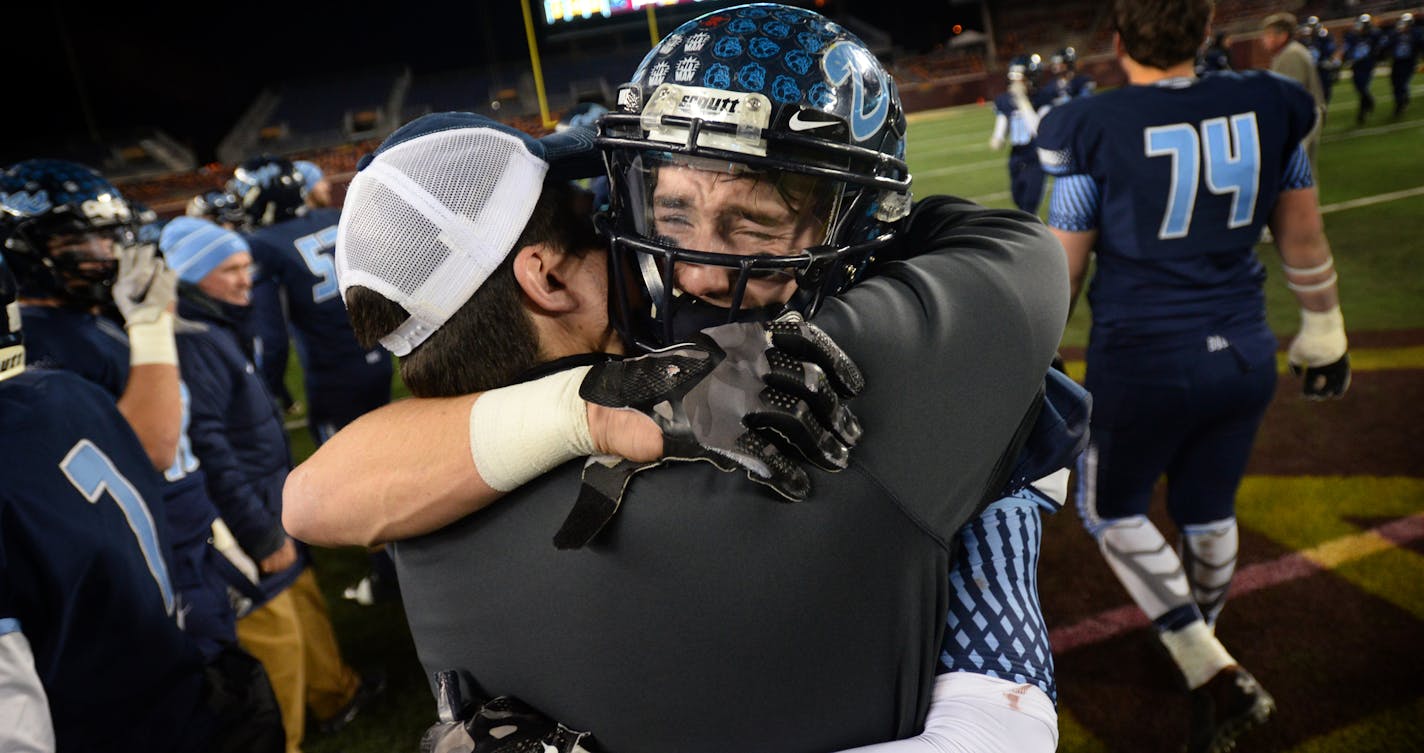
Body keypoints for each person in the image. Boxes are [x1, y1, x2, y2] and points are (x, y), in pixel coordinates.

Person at [287, 5, 1072, 750]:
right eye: (667, 214)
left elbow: (307, 498)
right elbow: (1015, 253)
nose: (692, 270)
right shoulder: (838, 402)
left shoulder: (411, 513)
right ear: (544, 278)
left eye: (753, 221)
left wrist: (589, 404)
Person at [1036, 0, 1352, 751]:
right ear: (1208, 32)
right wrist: (1326, 329)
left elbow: (1065, 261)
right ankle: (1205, 628)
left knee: (1113, 510)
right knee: (1208, 509)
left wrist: (1039, 348)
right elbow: (1302, 235)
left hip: (1143, 356)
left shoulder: (1091, 124)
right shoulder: (1271, 102)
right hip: (1243, 346)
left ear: (1117, 41)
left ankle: (1202, 656)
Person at [0, 199, 282, 753]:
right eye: (85, 241)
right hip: (150, 577)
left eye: (111, 238)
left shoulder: (76, 333)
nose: (109, 254)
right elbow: (150, 445)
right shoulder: (51, 359)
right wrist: (151, 327)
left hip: (163, 555)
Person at [158, 216, 384, 752]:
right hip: (242, 513)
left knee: (302, 599)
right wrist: (259, 534)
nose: (246, 280)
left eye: (246, 266)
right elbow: (209, 453)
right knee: (274, 632)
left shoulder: (215, 323)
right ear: (192, 278)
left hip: (265, 495)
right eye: (229, 270)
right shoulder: (190, 341)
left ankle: (336, 693)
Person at [1262, 12, 1326, 179]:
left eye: (1268, 35)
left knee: (1298, 173)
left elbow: (1291, 98)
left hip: (1302, 121)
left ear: (1282, 36)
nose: (1264, 40)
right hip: (1306, 117)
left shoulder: (1290, 55)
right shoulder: (1288, 53)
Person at [988, 54, 1052, 213]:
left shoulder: (1042, 98)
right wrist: (999, 136)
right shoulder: (1005, 100)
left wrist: (1023, 101)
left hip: (1036, 155)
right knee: (1017, 197)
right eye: (1013, 78)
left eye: (1020, 78)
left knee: (1030, 203)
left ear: (1031, 78)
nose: (1016, 83)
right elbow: (1004, 117)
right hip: (1016, 155)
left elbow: (1038, 129)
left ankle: (1033, 231)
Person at [1341, 14, 1385, 124]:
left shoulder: (1374, 34)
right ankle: (1369, 100)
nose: (1359, 27)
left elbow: (1381, 46)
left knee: (1363, 86)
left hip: (1367, 64)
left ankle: (1362, 112)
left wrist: (1377, 56)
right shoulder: (1353, 36)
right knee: (1358, 86)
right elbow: (1348, 48)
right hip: (1356, 64)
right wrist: (1347, 58)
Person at [1385, 12, 1422, 117]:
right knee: (1395, 82)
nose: (1403, 25)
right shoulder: (1395, 34)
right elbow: (1388, 44)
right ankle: (1402, 99)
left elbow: (1420, 45)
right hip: (1397, 61)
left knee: (1402, 82)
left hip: (1409, 61)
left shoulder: (1416, 33)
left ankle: (1400, 103)